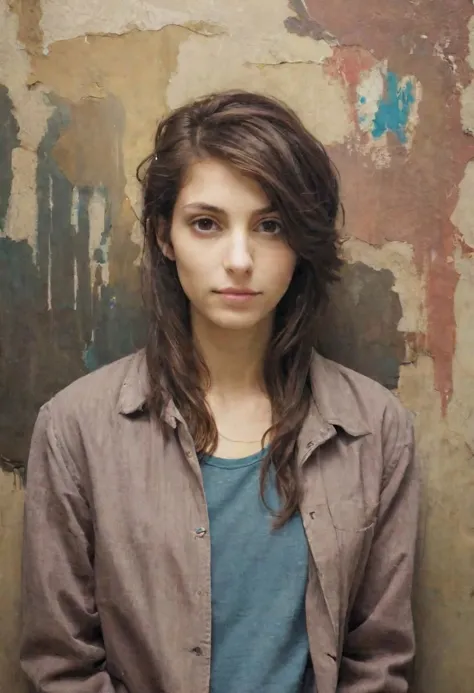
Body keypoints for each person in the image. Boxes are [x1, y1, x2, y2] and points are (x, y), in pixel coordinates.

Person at [20, 90, 419, 693]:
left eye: (270, 225)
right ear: (163, 235)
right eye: (206, 223)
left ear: (301, 243)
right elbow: (61, 666)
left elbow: (378, 659)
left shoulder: (375, 428)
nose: (239, 259)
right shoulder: (76, 427)